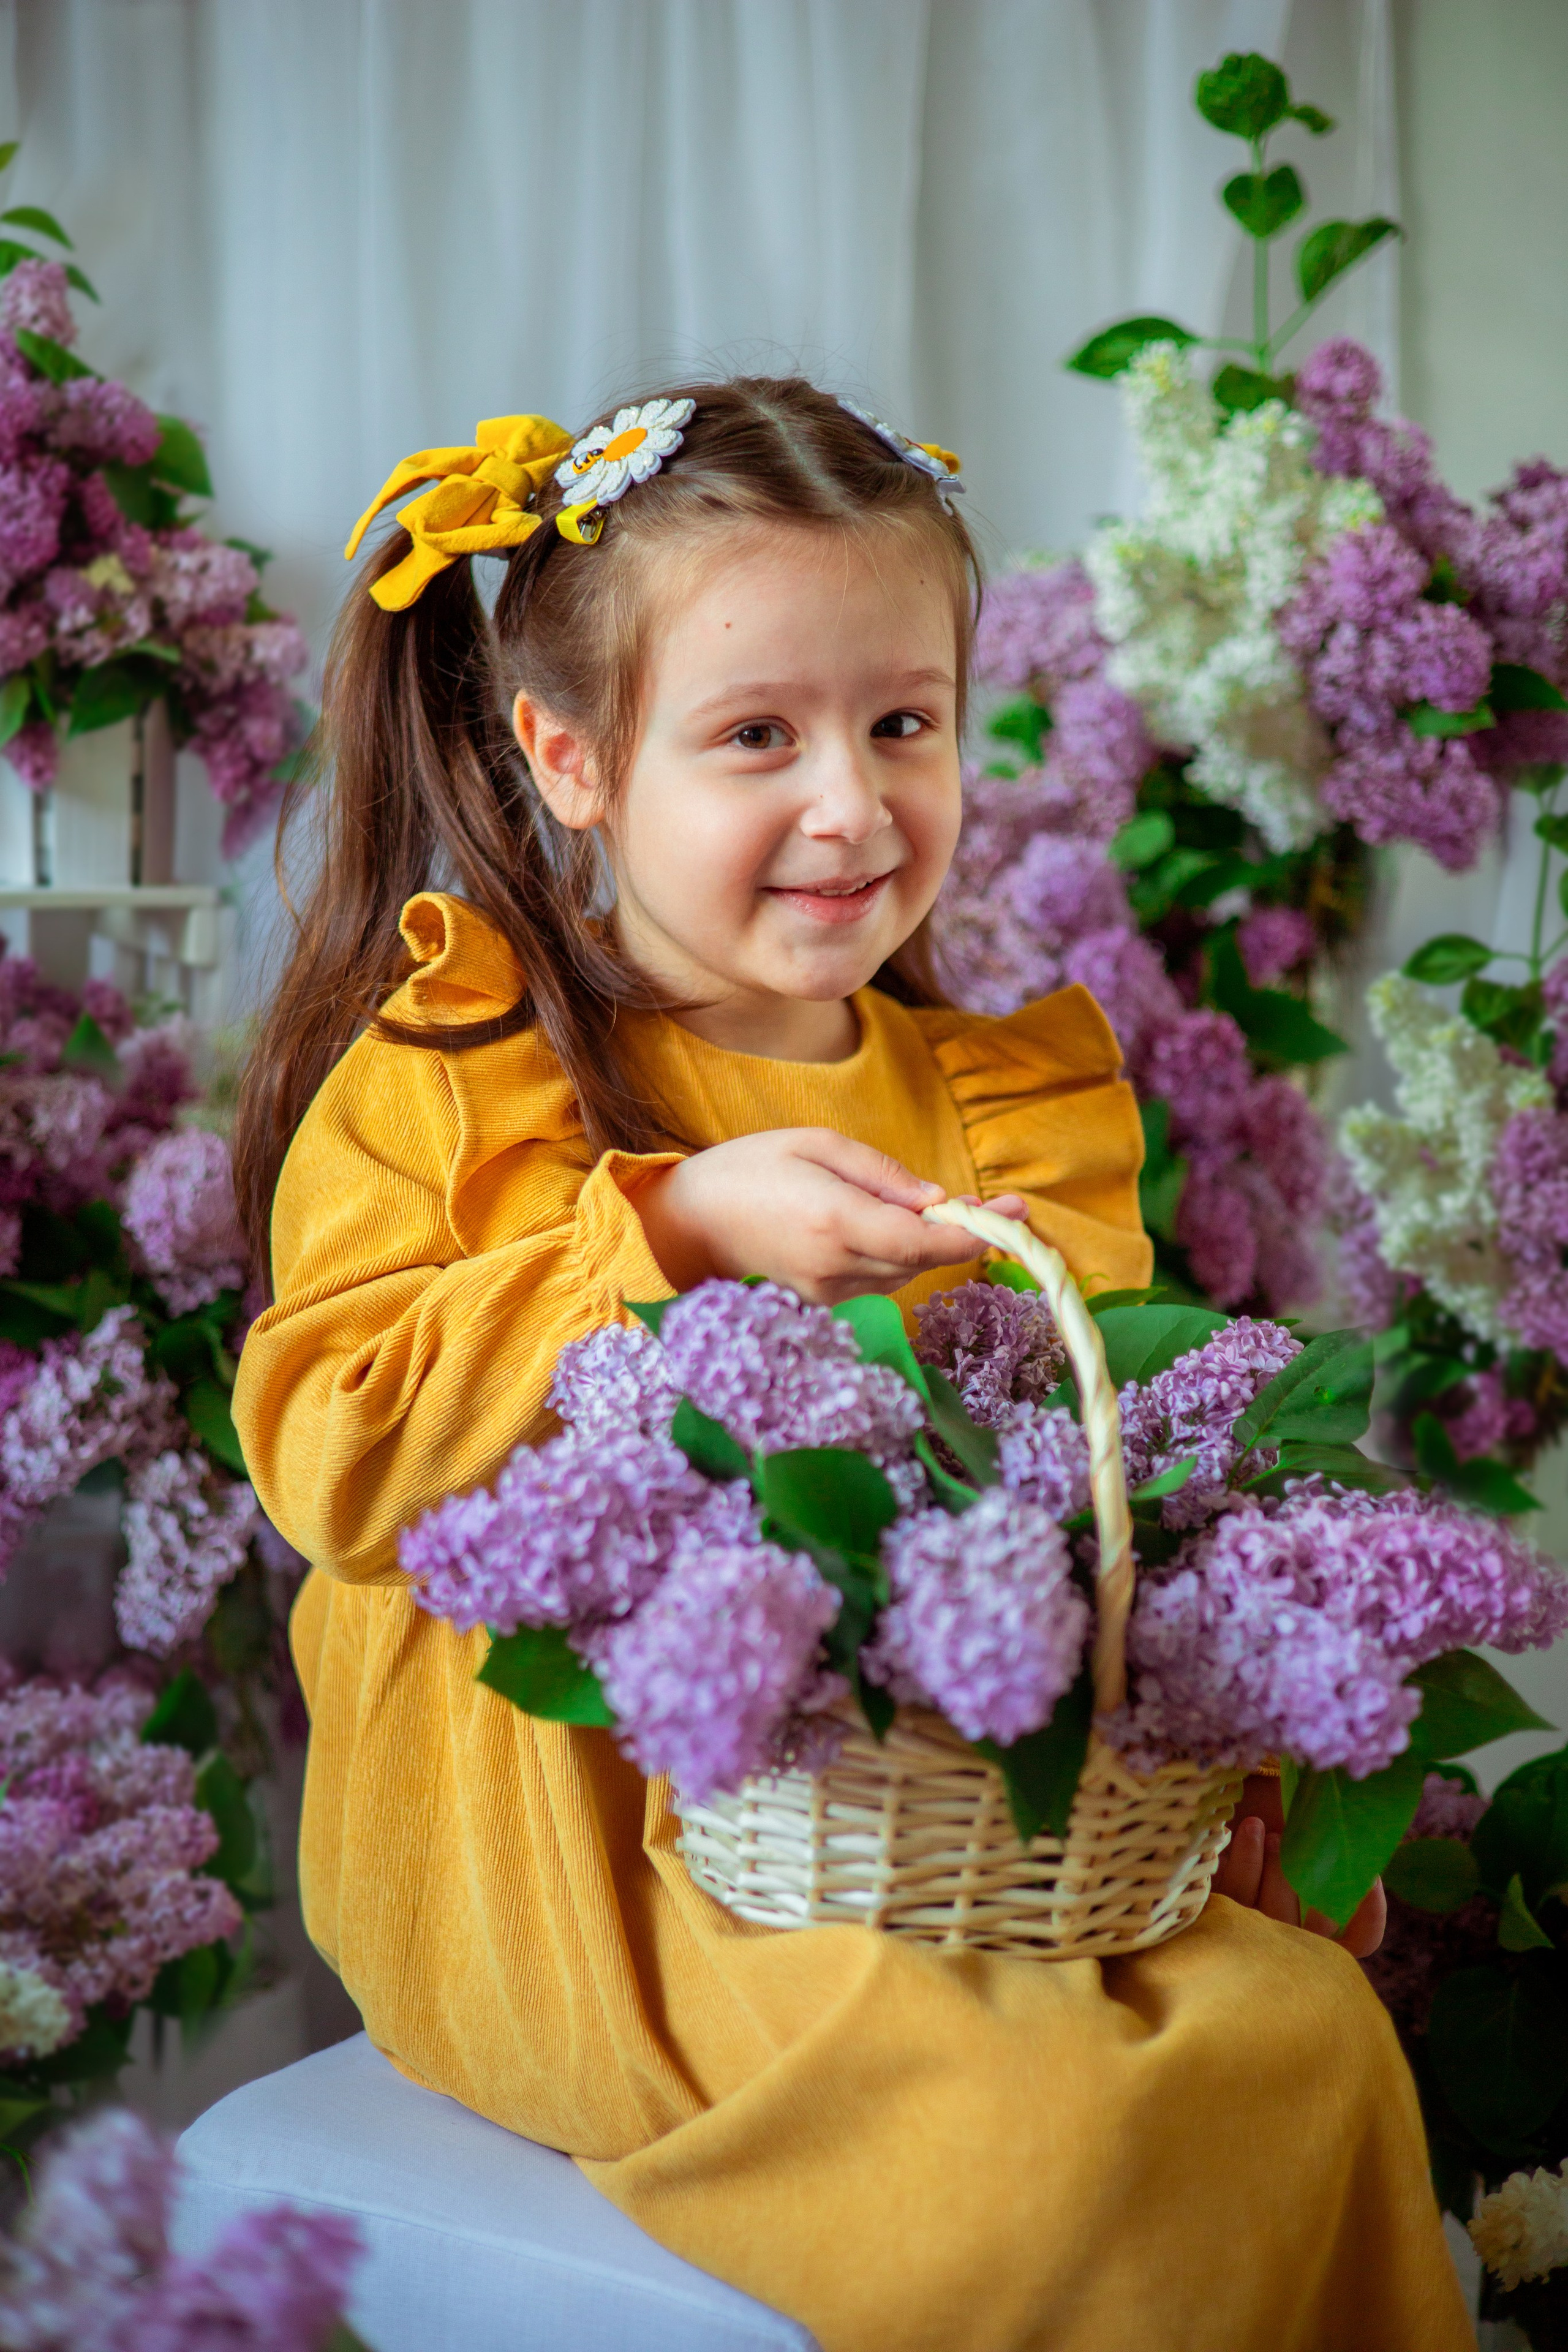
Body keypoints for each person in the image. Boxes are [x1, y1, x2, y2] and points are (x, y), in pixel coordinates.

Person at [231, 379, 1470, 2351]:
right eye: (753, 736)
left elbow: (1097, 1491)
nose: (850, 803)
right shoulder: (462, 1071)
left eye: (903, 721)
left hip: (936, 1828)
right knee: (1031, 2134)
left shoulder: (1000, 1106)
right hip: (571, 1858)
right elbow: (334, 1455)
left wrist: (1233, 1775)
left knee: (1303, 2037)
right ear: (567, 756)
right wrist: (681, 1223)